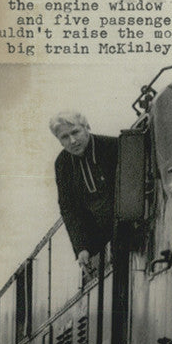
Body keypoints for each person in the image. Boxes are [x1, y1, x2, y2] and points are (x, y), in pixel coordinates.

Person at [49, 111, 119, 272]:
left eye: (75, 132)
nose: (72, 141)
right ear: (59, 141)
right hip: (97, 235)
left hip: (125, 227)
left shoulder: (113, 146)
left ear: (87, 127)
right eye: (65, 137)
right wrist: (81, 247)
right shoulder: (62, 164)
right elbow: (68, 208)